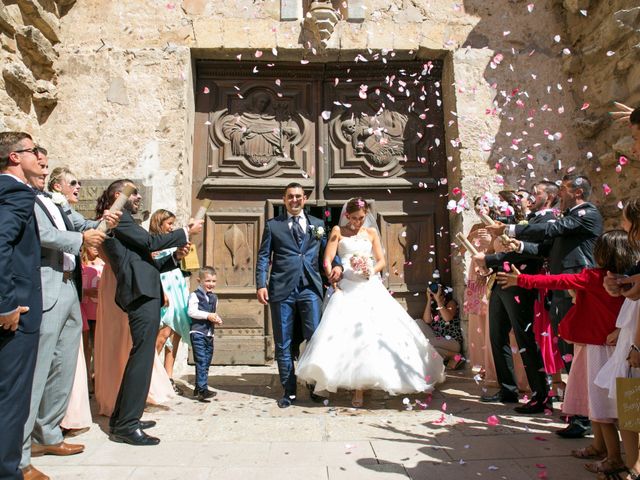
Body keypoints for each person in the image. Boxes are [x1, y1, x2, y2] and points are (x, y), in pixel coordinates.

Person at [498, 229, 639, 476]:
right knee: (606, 405)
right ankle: (601, 447)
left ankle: (614, 457)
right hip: (617, 347)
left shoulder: (595, 277)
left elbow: (557, 281)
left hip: (596, 350)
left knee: (599, 406)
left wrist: (521, 280)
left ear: (602, 253)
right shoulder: (630, 281)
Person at [296, 197, 445, 407]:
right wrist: (332, 276)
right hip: (346, 288)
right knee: (345, 337)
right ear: (347, 215)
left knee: (372, 335)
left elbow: (381, 260)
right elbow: (328, 259)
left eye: (362, 218)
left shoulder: (372, 233)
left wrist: (370, 270)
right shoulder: (338, 231)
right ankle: (348, 383)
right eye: (355, 218)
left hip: (369, 287)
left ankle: (361, 389)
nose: (358, 223)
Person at [486, 174, 603, 436]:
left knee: (577, 353)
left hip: (577, 289)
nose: (559, 193)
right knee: (567, 350)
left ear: (578, 192)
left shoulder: (586, 213)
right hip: (561, 290)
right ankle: (577, 412)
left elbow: (552, 230)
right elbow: (546, 248)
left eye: (563, 189)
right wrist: (519, 244)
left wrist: (509, 228)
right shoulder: (569, 217)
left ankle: (584, 418)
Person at [21, 159, 118, 473]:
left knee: (63, 366)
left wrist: (107, 221)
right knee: (38, 370)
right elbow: (43, 234)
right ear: (57, 186)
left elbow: (85, 227)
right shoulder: (27, 199)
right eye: (72, 183)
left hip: (68, 288)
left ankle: (48, 434)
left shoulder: (58, 204)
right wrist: (81, 240)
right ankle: (20, 452)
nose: (77, 188)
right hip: (47, 286)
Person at [99, 179, 203, 446]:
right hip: (140, 294)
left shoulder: (126, 222)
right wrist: (184, 230)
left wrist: (175, 258)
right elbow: (149, 242)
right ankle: (126, 425)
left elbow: (145, 263)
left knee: (141, 356)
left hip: (145, 290)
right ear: (117, 195)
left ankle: (123, 417)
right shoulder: (118, 218)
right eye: (133, 193)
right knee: (142, 357)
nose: (138, 198)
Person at [255, 182, 342, 408]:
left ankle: (314, 385)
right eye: (290, 197)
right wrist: (260, 284)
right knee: (283, 342)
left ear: (304, 199)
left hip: (309, 289)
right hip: (281, 289)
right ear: (284, 200)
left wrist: (338, 266)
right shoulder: (274, 225)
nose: (294, 200)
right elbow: (264, 256)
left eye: (298, 196)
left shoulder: (316, 225)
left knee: (314, 337)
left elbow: (327, 249)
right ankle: (289, 390)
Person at [474, 189, 551, 414]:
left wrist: (490, 259)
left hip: (518, 284)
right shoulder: (513, 221)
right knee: (496, 336)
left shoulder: (541, 222)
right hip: (499, 281)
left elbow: (528, 254)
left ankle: (541, 394)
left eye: (527, 194)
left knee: (524, 336)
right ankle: (507, 389)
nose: (523, 197)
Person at [0, 132, 44, 480]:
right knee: (12, 397)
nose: (40, 157)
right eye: (33, 151)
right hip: (16, 314)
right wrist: (6, 304)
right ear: (15, 157)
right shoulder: (16, 192)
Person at [597, 199, 640, 480]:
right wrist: (618, 286)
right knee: (629, 402)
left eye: (625, 220)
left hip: (637, 333)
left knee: (635, 399)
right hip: (630, 331)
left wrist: (636, 343)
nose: (623, 226)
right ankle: (632, 463)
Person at [150, 209, 192, 393]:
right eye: (168, 224)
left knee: (176, 334)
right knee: (163, 333)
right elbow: (153, 269)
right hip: (164, 288)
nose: (171, 228)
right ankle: (150, 375)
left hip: (178, 288)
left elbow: (184, 267)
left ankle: (168, 377)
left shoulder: (174, 241)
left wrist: (184, 255)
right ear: (159, 224)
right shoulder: (152, 243)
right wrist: (160, 292)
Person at [187, 266, 223, 402]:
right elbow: (191, 312)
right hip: (197, 333)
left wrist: (216, 319)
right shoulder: (195, 295)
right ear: (199, 280)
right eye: (208, 281)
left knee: (206, 361)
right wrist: (208, 315)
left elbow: (213, 314)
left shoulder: (214, 297)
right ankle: (203, 389)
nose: (211, 284)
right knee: (201, 360)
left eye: (214, 281)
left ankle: (198, 387)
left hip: (209, 334)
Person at [416, 284, 464, 369]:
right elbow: (426, 320)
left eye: (439, 294)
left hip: (452, 341)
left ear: (444, 294)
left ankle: (453, 354)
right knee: (419, 322)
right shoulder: (434, 307)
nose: (435, 296)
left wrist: (438, 301)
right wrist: (429, 300)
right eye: (433, 295)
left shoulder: (451, 303)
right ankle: (454, 356)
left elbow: (447, 318)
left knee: (426, 343)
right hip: (438, 339)